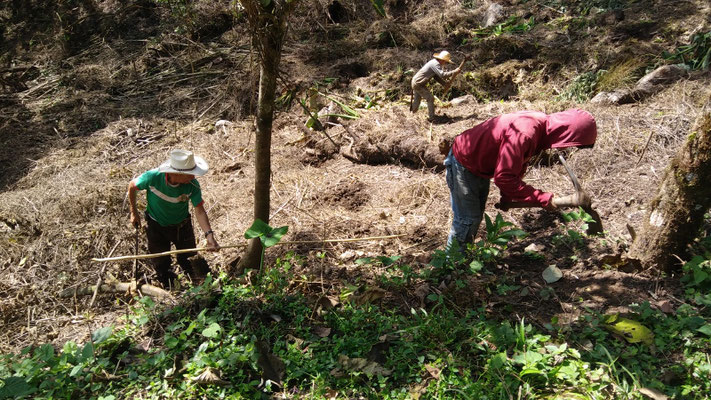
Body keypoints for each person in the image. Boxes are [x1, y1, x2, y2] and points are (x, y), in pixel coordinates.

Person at [444, 109, 598, 249]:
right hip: (463, 163)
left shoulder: (540, 127)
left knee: (474, 215)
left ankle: (461, 259)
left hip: (479, 164)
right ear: (566, 133)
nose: (566, 148)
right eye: (571, 143)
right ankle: (451, 265)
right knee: (468, 218)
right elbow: (504, 177)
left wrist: (508, 196)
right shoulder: (526, 132)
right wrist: (542, 198)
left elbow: (516, 164)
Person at [128, 149, 220, 288]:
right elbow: (132, 186)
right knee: (160, 261)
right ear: (176, 173)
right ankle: (171, 288)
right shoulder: (153, 177)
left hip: (182, 226)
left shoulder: (192, 186)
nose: (193, 177)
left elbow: (199, 211)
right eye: (189, 174)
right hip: (156, 225)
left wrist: (209, 235)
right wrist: (133, 212)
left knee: (189, 259)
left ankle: (200, 286)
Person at [411, 50, 461, 121]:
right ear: (442, 60)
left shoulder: (435, 63)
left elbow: (436, 77)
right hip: (418, 84)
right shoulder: (435, 64)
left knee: (417, 100)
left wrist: (444, 84)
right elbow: (442, 75)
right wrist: (454, 72)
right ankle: (432, 118)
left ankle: (412, 116)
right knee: (430, 98)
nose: (445, 63)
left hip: (417, 82)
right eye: (445, 62)